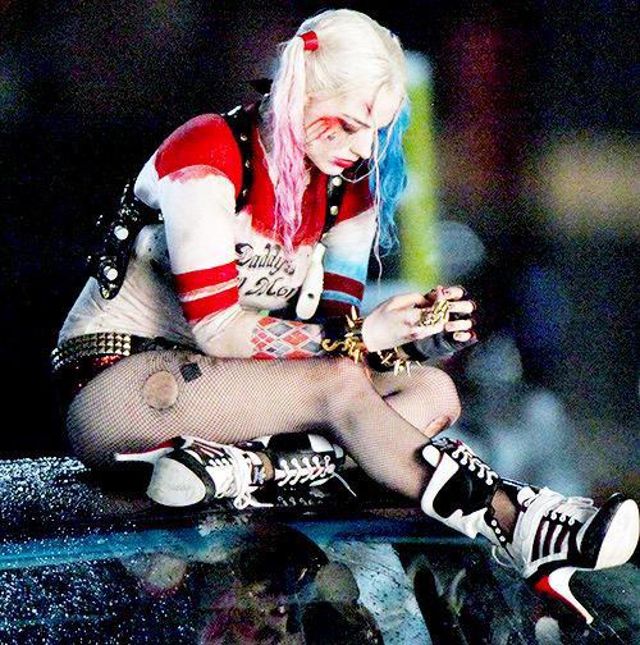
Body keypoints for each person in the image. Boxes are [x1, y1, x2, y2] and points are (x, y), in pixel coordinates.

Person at [52, 8, 638, 624]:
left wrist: (414, 342)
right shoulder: (207, 153)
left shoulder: (346, 190)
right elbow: (220, 331)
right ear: (299, 91)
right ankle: (516, 521)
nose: (362, 150)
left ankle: (254, 469)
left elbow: (335, 346)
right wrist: (360, 334)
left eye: (374, 133)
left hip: (241, 400)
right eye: (351, 125)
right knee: (338, 386)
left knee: (431, 390)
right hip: (121, 385)